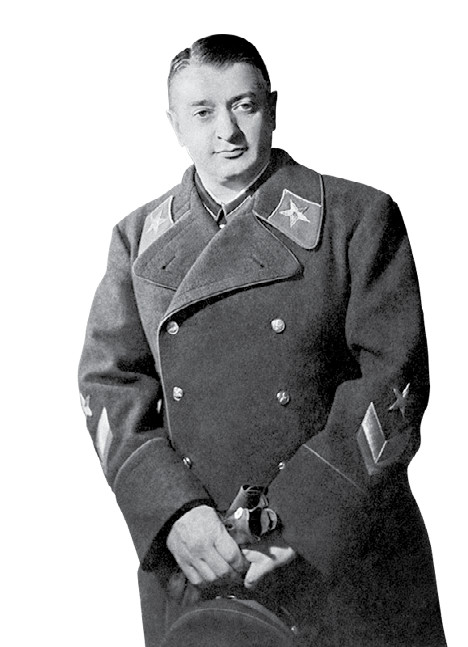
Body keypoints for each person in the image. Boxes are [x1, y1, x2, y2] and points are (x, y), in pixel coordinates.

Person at [78, 34, 447, 646]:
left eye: (244, 106)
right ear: (174, 125)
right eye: (203, 112)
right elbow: (108, 385)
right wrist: (174, 513)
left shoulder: (356, 216)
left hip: (340, 545)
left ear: (272, 107)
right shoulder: (138, 237)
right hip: (202, 556)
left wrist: (294, 523)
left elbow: (392, 384)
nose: (226, 130)